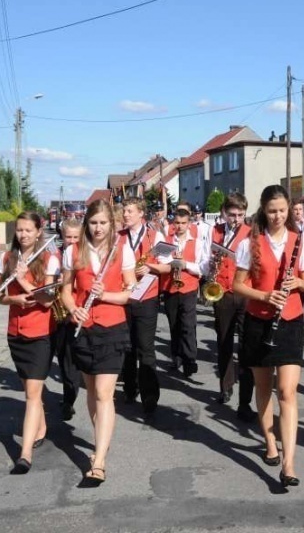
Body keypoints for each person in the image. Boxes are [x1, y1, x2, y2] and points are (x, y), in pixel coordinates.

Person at [233, 185, 304, 488]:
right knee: (263, 388)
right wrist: (265, 295)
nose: (278, 216)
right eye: (272, 211)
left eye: (282, 210)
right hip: (258, 321)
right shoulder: (250, 242)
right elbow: (238, 286)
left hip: (291, 321)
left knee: (288, 391)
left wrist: (296, 284)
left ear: (289, 208)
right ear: (263, 211)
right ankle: (269, 440)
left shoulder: (299, 241)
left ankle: (289, 463)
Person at [60, 199, 137, 485]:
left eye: (104, 223)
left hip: (112, 328)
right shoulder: (73, 251)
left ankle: (99, 460)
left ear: (112, 224)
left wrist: (104, 294)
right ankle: (101, 439)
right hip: (82, 328)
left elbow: (129, 293)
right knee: (91, 392)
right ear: (86, 224)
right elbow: (66, 291)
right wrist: (72, 309)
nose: (98, 228)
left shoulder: (122, 250)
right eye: (93, 223)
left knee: (105, 394)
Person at [0, 212, 59, 475]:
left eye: (28, 230)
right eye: (19, 230)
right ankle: (41, 428)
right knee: (31, 390)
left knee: (32, 393)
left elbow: (47, 300)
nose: (23, 235)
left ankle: (25, 453)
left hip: (41, 333)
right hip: (15, 333)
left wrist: (22, 279)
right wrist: (13, 300)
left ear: (38, 231)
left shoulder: (49, 258)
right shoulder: (7, 258)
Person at [207, 192, 256, 421]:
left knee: (246, 347)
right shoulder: (215, 231)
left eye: (240, 215)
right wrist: (211, 265)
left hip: (245, 293)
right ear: (224, 213)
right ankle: (225, 387)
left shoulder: (252, 233)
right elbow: (206, 259)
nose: (235, 218)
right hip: (223, 292)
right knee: (224, 341)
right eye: (232, 214)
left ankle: (245, 400)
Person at [119, 197, 168, 415]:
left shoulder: (155, 235)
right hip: (124, 296)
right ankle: (130, 388)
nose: (125, 215)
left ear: (141, 213)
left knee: (145, 348)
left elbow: (168, 266)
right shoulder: (117, 238)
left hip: (147, 296)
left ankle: (150, 396)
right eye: (124, 211)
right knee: (127, 346)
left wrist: (150, 267)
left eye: (130, 211)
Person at [158, 207, 205, 378]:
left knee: (187, 325)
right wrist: (173, 261)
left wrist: (185, 264)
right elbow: (160, 259)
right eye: (177, 223)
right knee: (174, 324)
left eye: (183, 223)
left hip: (189, 287)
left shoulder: (197, 243)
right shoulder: (166, 240)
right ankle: (176, 356)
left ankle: (189, 359)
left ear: (189, 224)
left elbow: (202, 267)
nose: (180, 226)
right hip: (170, 287)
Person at [52, 218, 83, 421]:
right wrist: (56, 281)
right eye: (68, 237)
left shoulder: (84, 255)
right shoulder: (54, 256)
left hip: (77, 312)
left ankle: (69, 399)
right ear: (62, 237)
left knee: (73, 362)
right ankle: (67, 396)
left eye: (75, 237)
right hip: (58, 313)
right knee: (62, 358)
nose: (71, 241)